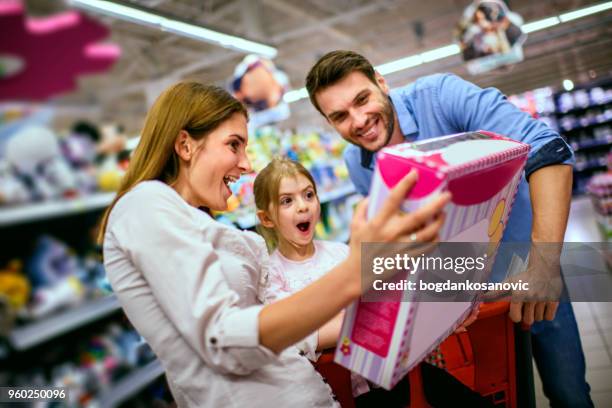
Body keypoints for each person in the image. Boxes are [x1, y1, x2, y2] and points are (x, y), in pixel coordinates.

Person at [98, 81, 450, 407]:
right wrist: (353, 274)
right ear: (185, 145)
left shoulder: (199, 224)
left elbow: (290, 335)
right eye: (234, 144)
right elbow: (225, 343)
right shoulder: (145, 204)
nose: (247, 164)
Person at [305, 50, 593, 408]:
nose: (359, 120)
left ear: (381, 81)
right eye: (339, 116)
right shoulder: (358, 163)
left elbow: (546, 149)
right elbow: (402, 240)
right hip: (466, 306)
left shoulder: (442, 98)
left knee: (569, 393)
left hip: (529, 265)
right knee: (503, 395)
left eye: (362, 99)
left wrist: (545, 263)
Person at [254, 157, 492, 407]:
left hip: (393, 374)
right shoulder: (272, 274)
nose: (303, 206)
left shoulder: (342, 252)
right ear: (267, 218)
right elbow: (302, 333)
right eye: (287, 201)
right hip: (346, 393)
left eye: (309, 195)